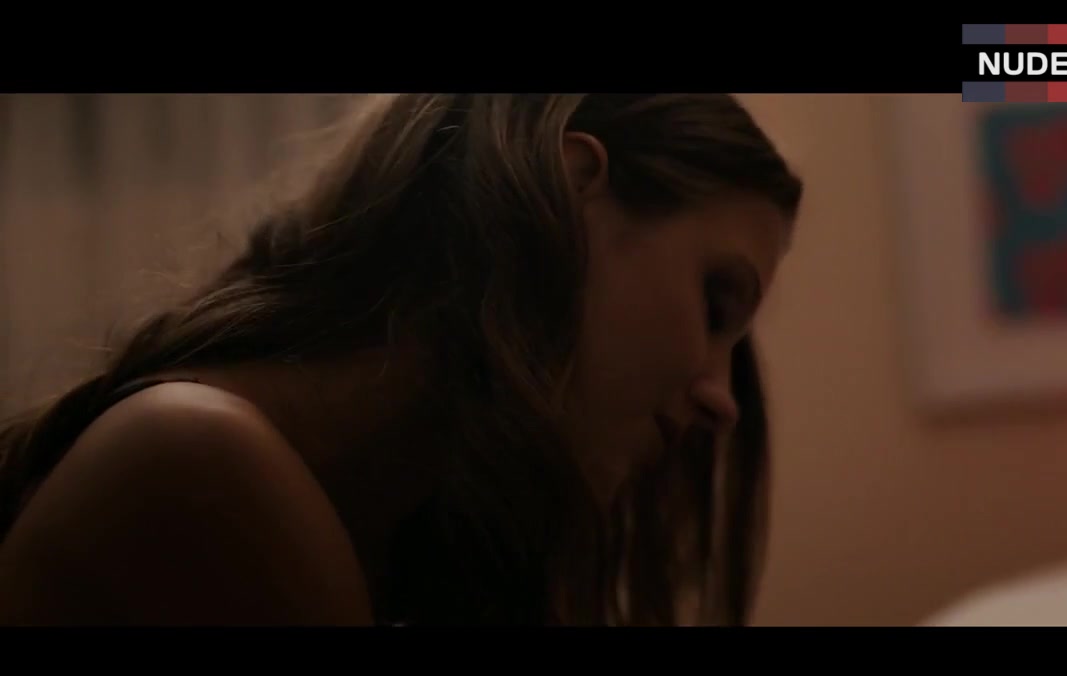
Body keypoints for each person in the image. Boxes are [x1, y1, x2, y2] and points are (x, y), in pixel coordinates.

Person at [0, 94, 803, 626]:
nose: (723, 402)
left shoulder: (395, 537)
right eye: (715, 305)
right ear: (568, 189)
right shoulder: (203, 464)